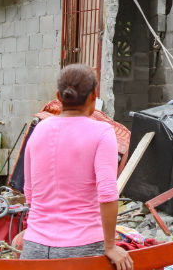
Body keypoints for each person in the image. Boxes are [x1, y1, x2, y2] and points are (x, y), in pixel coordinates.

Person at [21, 64, 133, 270]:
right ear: (94, 96)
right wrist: (110, 246)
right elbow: (108, 194)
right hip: (83, 250)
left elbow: (29, 191)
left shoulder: (39, 130)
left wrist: (34, 229)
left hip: (34, 248)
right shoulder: (102, 133)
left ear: (58, 96)